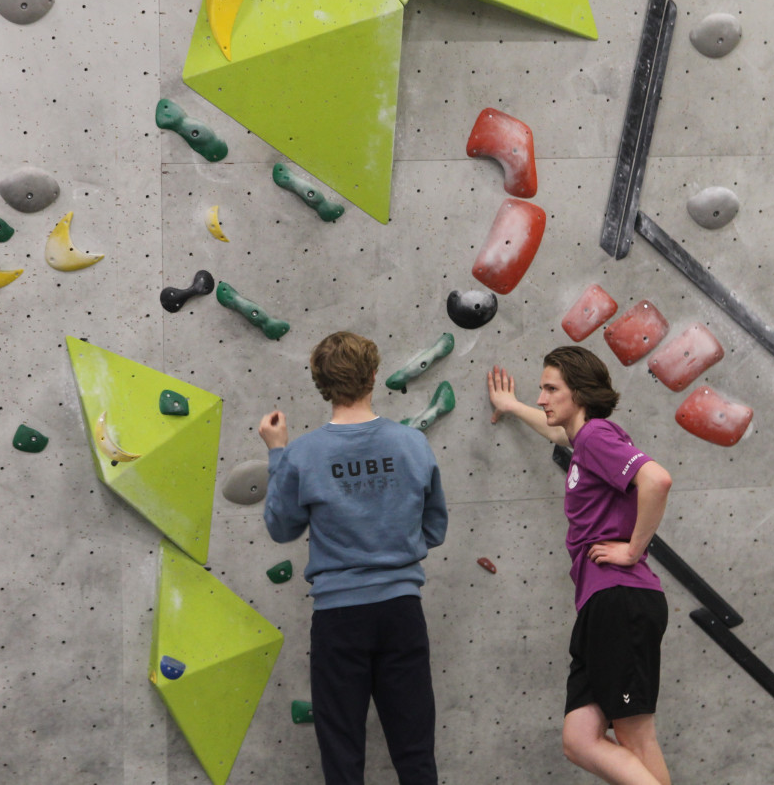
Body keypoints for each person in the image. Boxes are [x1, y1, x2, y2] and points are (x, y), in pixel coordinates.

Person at [259, 331, 448, 785]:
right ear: (374, 376)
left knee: (342, 756)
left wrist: (277, 452)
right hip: (402, 611)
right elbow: (435, 527)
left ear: (320, 384)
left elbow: (281, 527)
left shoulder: (304, 453)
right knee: (415, 752)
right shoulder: (411, 444)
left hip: (339, 617)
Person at [487, 346, 673, 785]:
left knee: (635, 735)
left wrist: (631, 550)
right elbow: (557, 436)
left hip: (620, 598)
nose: (541, 398)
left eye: (551, 389)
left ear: (581, 394)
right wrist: (510, 406)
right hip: (602, 602)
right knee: (579, 738)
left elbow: (657, 480)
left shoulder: (595, 437)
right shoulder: (586, 440)